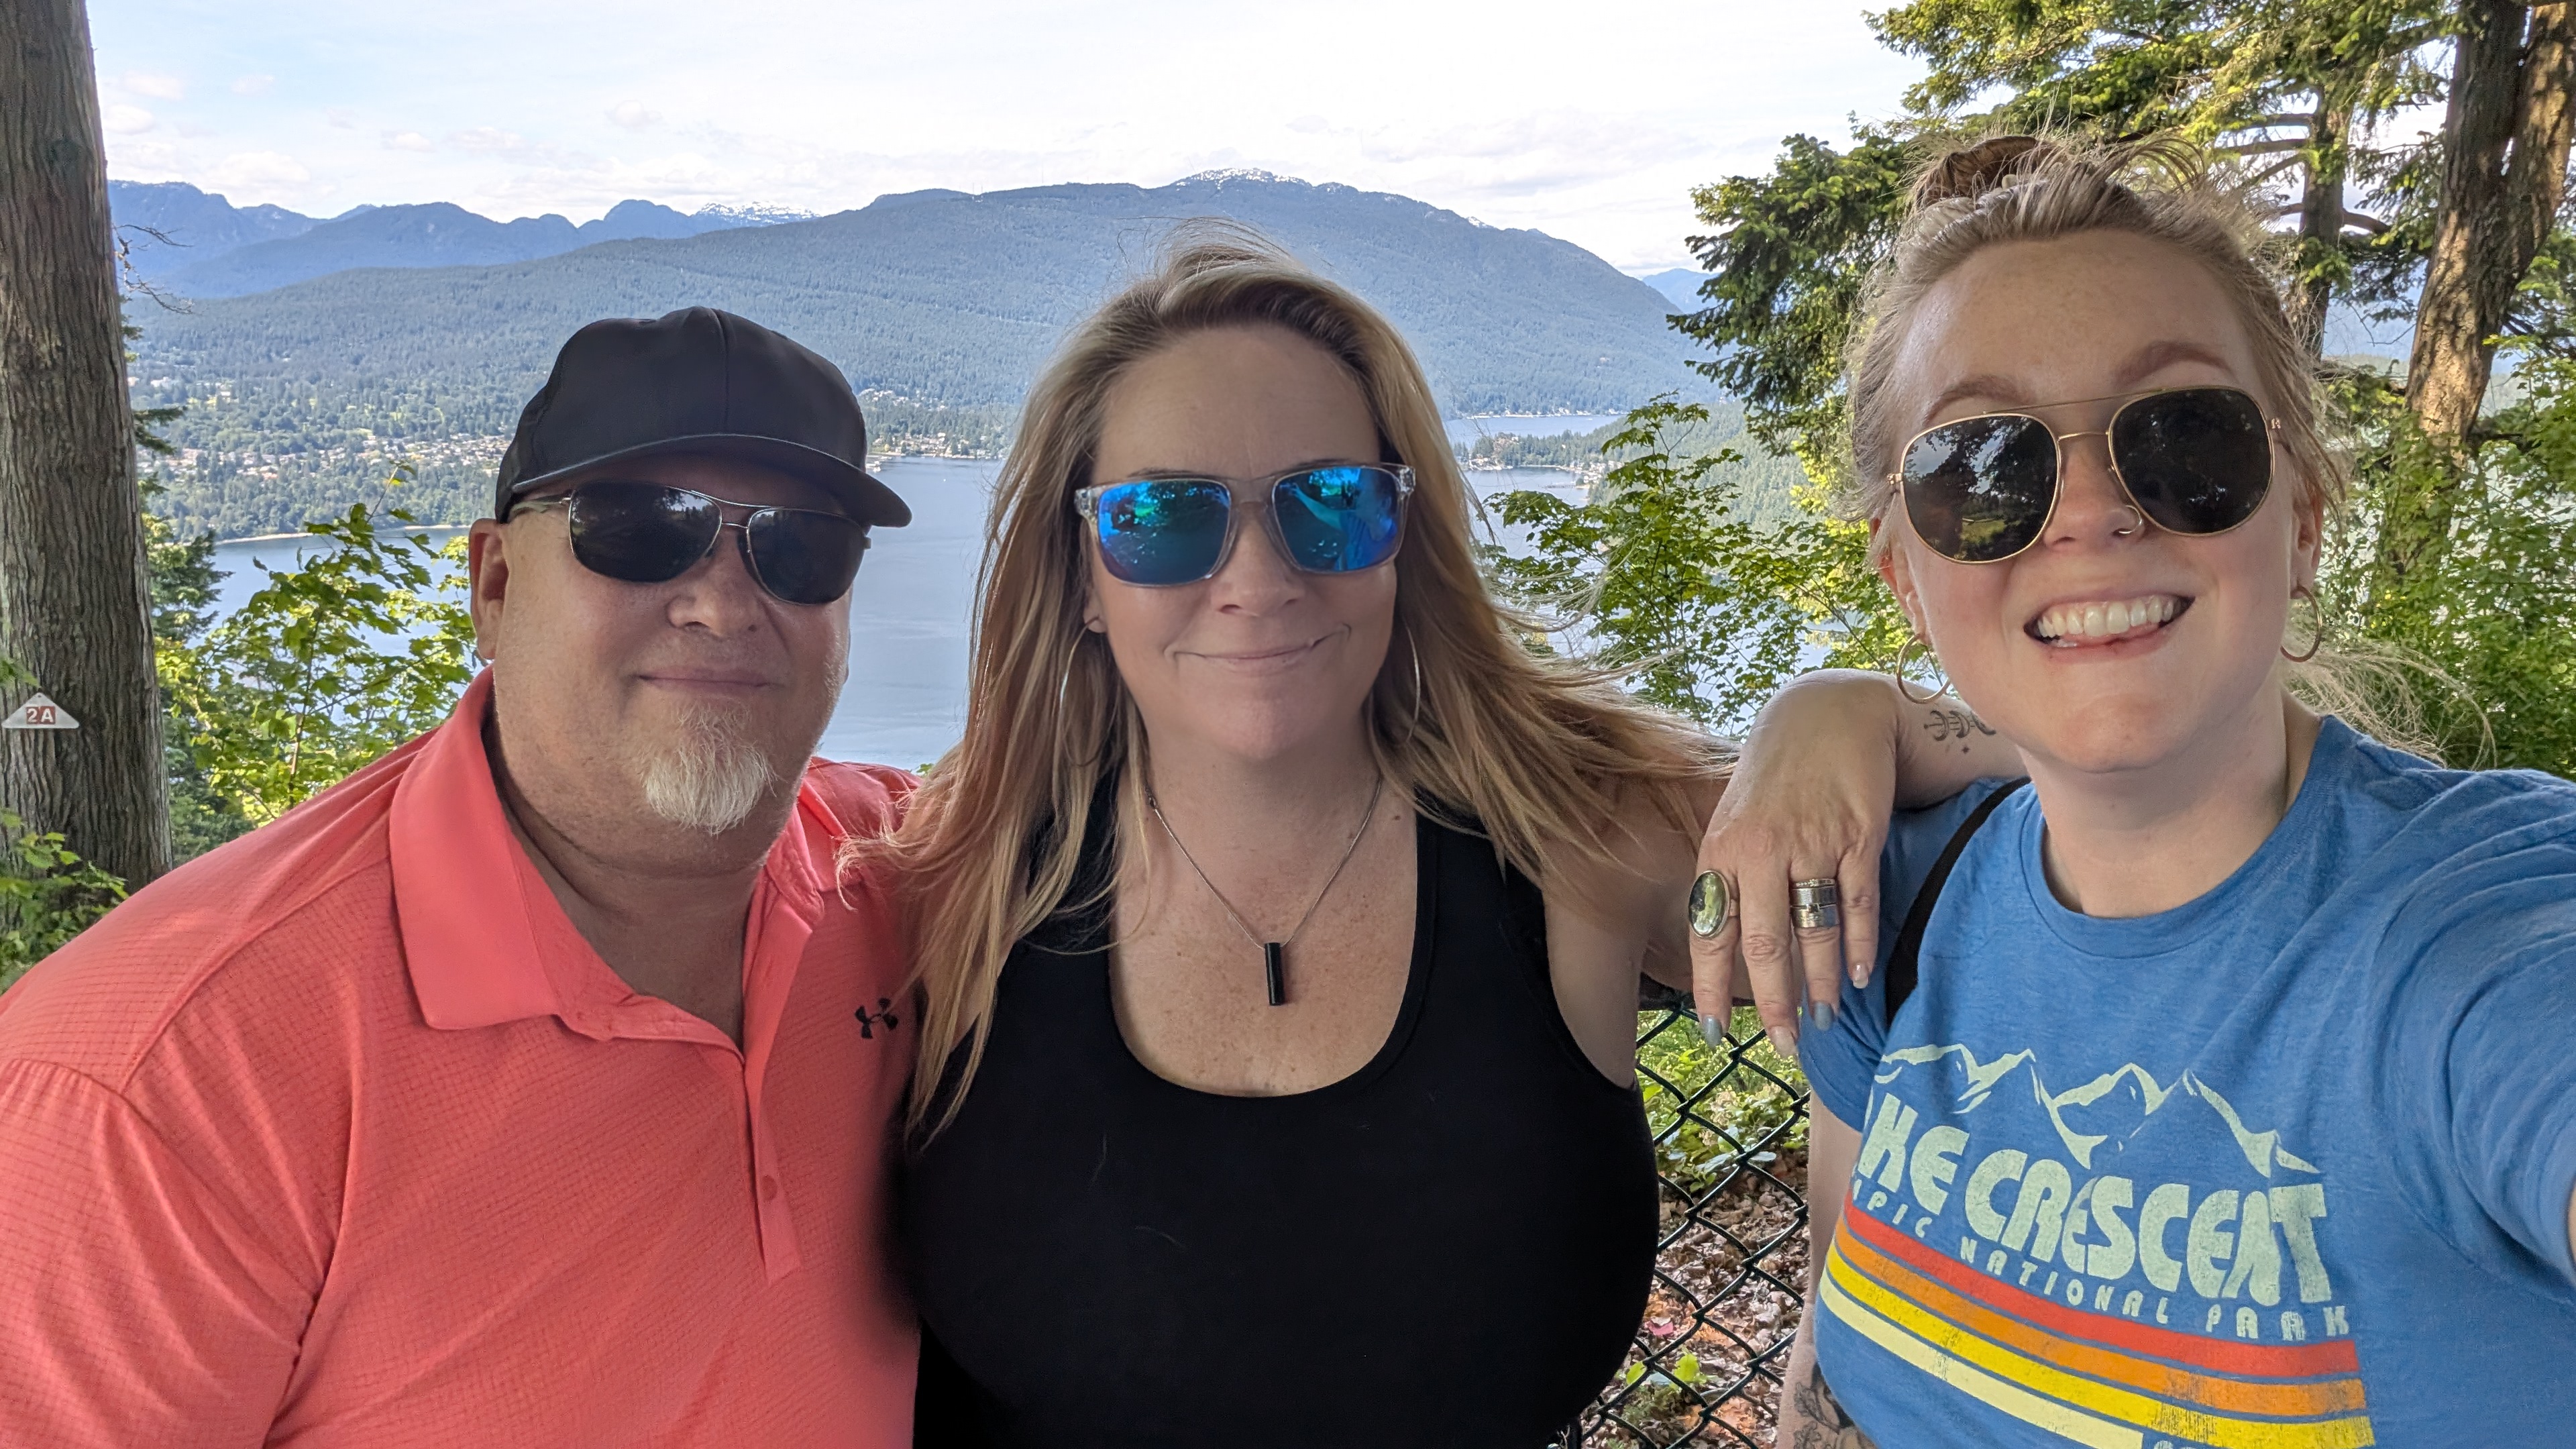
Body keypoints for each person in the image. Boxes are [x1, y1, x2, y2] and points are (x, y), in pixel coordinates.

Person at [876, 234, 2024, 1448]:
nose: (1256, 577)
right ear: (1081, 577)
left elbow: (2075, 768)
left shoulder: (1574, 841)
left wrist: (1846, 708)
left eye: (1332, 503)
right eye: (1163, 517)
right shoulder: (946, 888)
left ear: (1404, 538)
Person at [0, 308, 924, 1444]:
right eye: (637, 529)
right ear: (493, 585)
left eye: (802, 548)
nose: (723, 603)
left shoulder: (914, 879)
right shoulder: (161, 1079)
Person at [1782, 137, 2576, 1448]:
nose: (2091, 511)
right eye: (1982, 466)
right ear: (1906, 578)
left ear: (2302, 517)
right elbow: (1843, 1370)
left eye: (2184, 435)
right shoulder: (1892, 913)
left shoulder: (2465, 935)